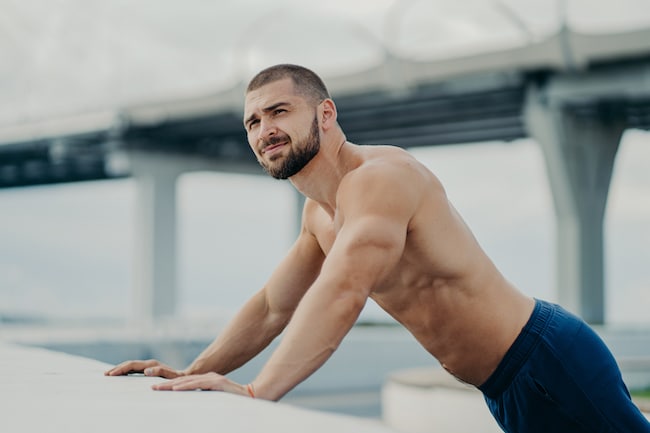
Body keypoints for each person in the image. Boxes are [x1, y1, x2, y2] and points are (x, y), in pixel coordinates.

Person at [106, 64, 650, 432]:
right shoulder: (319, 214)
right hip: (504, 385)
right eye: (253, 121)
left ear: (325, 114)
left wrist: (257, 393)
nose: (264, 130)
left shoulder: (379, 180)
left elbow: (345, 289)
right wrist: (191, 371)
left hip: (546, 359)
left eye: (279, 112)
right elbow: (274, 305)